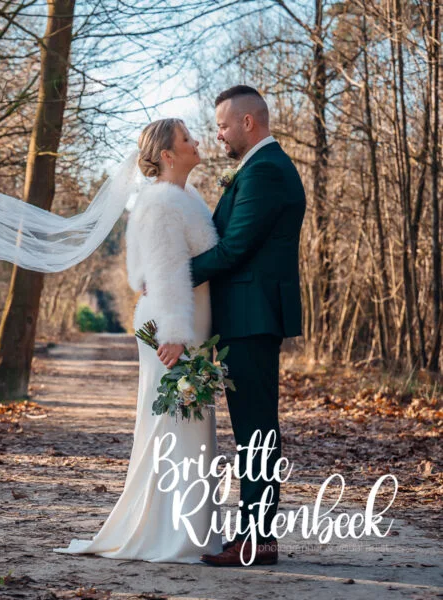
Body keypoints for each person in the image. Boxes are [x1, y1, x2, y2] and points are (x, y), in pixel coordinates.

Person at [55, 118, 223, 562]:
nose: (197, 142)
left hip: (186, 323)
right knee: (177, 423)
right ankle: (171, 534)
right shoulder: (162, 201)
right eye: (187, 139)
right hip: (174, 328)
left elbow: (141, 274)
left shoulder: (187, 196)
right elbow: (164, 271)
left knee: (191, 425)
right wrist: (175, 336)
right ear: (168, 155)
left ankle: (188, 528)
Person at [195, 85, 305, 567]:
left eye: (221, 125)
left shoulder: (263, 171)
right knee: (253, 431)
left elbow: (234, 248)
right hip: (248, 316)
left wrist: (172, 277)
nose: (217, 134)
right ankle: (258, 535)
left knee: (256, 432)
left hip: (253, 316)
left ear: (247, 123)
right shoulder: (261, 168)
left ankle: (256, 539)